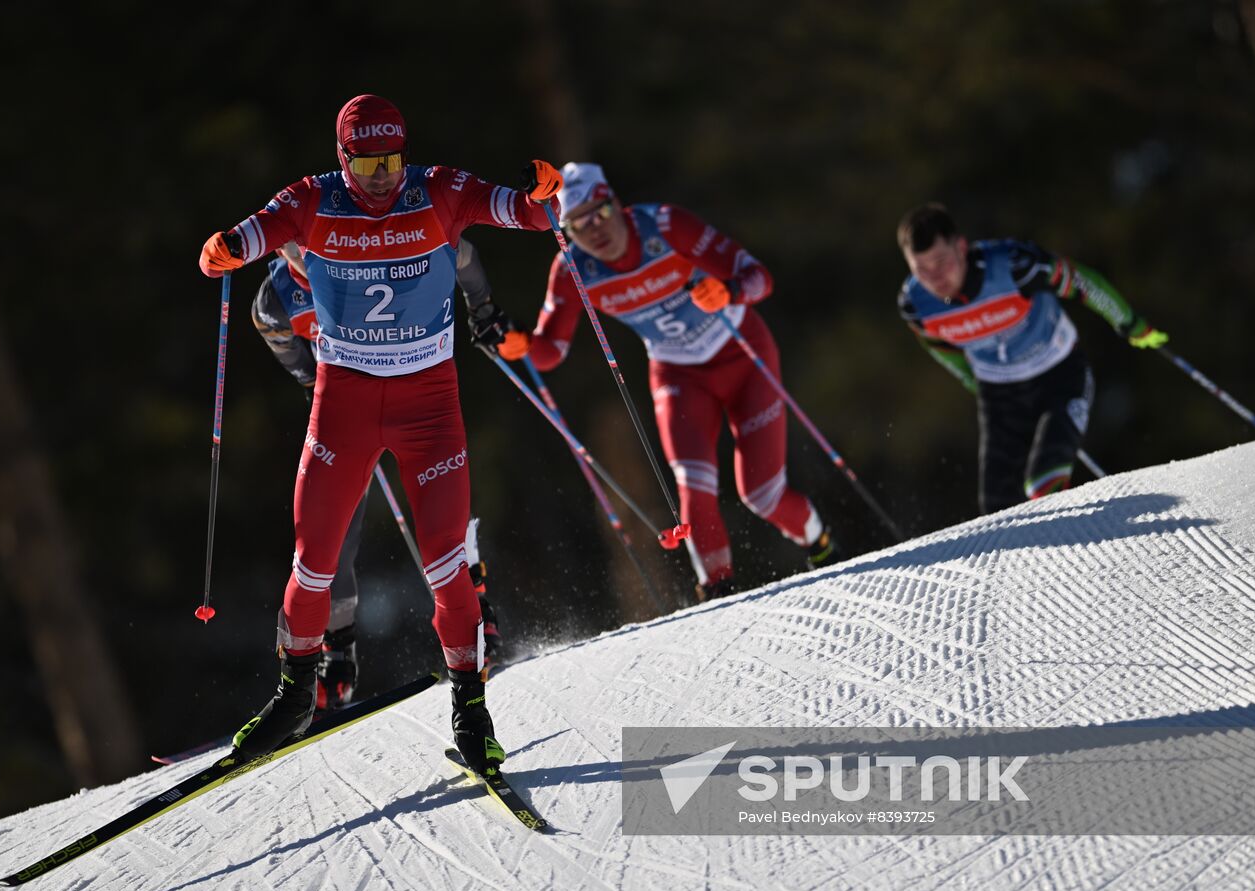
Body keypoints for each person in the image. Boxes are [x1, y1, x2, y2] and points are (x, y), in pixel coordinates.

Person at [199, 93, 561, 777]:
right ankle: (294, 694)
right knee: (314, 559)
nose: (382, 176)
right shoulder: (313, 200)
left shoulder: (440, 189)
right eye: (367, 163)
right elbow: (247, 239)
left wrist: (550, 194)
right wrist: (222, 250)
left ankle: (472, 708)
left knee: (448, 566)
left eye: (392, 159)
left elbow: (530, 213)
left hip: (430, 408)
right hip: (345, 404)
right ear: (343, 158)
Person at [521, 163, 836, 604]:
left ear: (618, 205)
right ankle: (718, 591)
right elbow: (549, 350)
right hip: (678, 373)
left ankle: (820, 544)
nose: (595, 230)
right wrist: (514, 343)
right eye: (578, 224)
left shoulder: (665, 225)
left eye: (601, 212)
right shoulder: (572, 267)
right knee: (694, 489)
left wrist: (728, 292)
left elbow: (758, 277)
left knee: (762, 495)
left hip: (740, 351)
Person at [249, 238, 509, 712]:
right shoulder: (277, 296)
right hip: (350, 410)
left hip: (416, 397)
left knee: (442, 507)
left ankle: (477, 610)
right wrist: (312, 381)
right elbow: (277, 335)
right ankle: (337, 652)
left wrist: (482, 306)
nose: (310, 257)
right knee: (334, 529)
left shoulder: (377, 254)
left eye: (317, 244)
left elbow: (462, 254)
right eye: (297, 249)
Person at [896, 202, 1168, 514]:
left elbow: (1081, 282)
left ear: (961, 247)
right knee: (998, 509)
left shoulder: (1014, 266)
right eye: (922, 269)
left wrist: (1128, 322)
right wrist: (970, 377)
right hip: (999, 394)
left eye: (941, 262)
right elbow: (938, 346)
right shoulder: (915, 305)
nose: (936, 278)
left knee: (1043, 482)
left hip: (1058, 373)